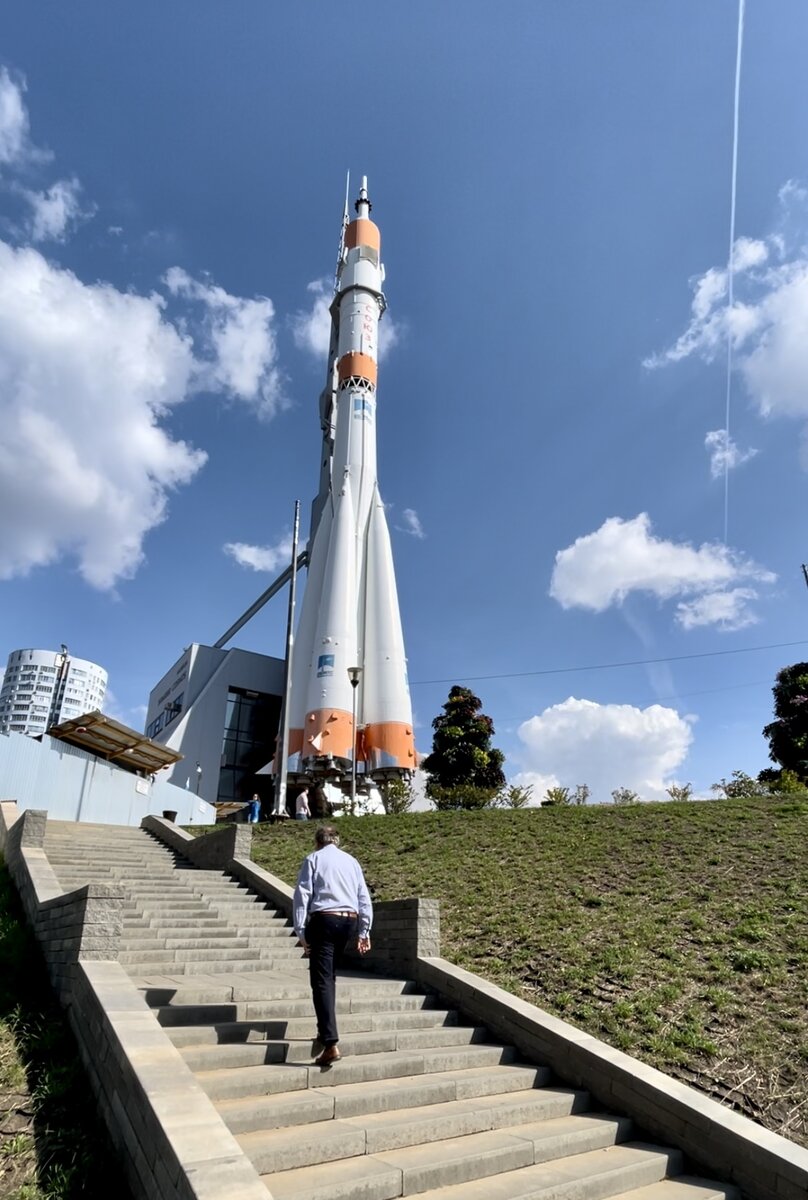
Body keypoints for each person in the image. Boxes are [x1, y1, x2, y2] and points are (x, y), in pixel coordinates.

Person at [293, 825, 372, 1066]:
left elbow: (302, 894)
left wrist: (301, 930)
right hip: (349, 921)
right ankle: (324, 1029)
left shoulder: (313, 859)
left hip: (325, 920)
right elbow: (363, 896)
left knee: (322, 979)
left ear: (317, 842)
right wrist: (364, 930)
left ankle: (330, 1043)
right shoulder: (352, 862)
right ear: (336, 840)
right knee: (329, 976)